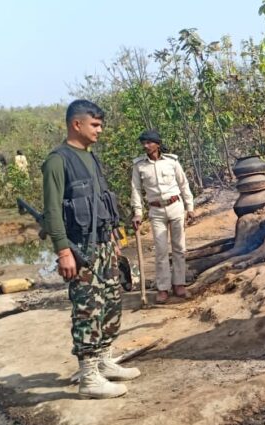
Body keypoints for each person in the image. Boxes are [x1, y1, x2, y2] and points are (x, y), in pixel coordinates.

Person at [41, 99, 138, 399]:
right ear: (76, 124)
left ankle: (104, 361)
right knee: (87, 310)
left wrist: (115, 241)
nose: (100, 130)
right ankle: (88, 378)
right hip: (81, 248)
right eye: (95, 125)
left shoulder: (91, 157)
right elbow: (53, 211)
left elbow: (103, 203)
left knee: (111, 302)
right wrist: (63, 251)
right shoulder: (58, 160)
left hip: (105, 244)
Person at [129, 130, 195, 304]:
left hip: (175, 206)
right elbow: (135, 189)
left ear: (157, 144)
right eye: (143, 143)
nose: (146, 146)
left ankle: (179, 284)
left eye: (149, 143)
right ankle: (163, 288)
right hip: (156, 211)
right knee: (160, 250)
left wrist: (190, 207)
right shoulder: (139, 166)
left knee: (179, 248)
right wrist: (137, 213)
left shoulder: (172, 162)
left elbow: (183, 183)